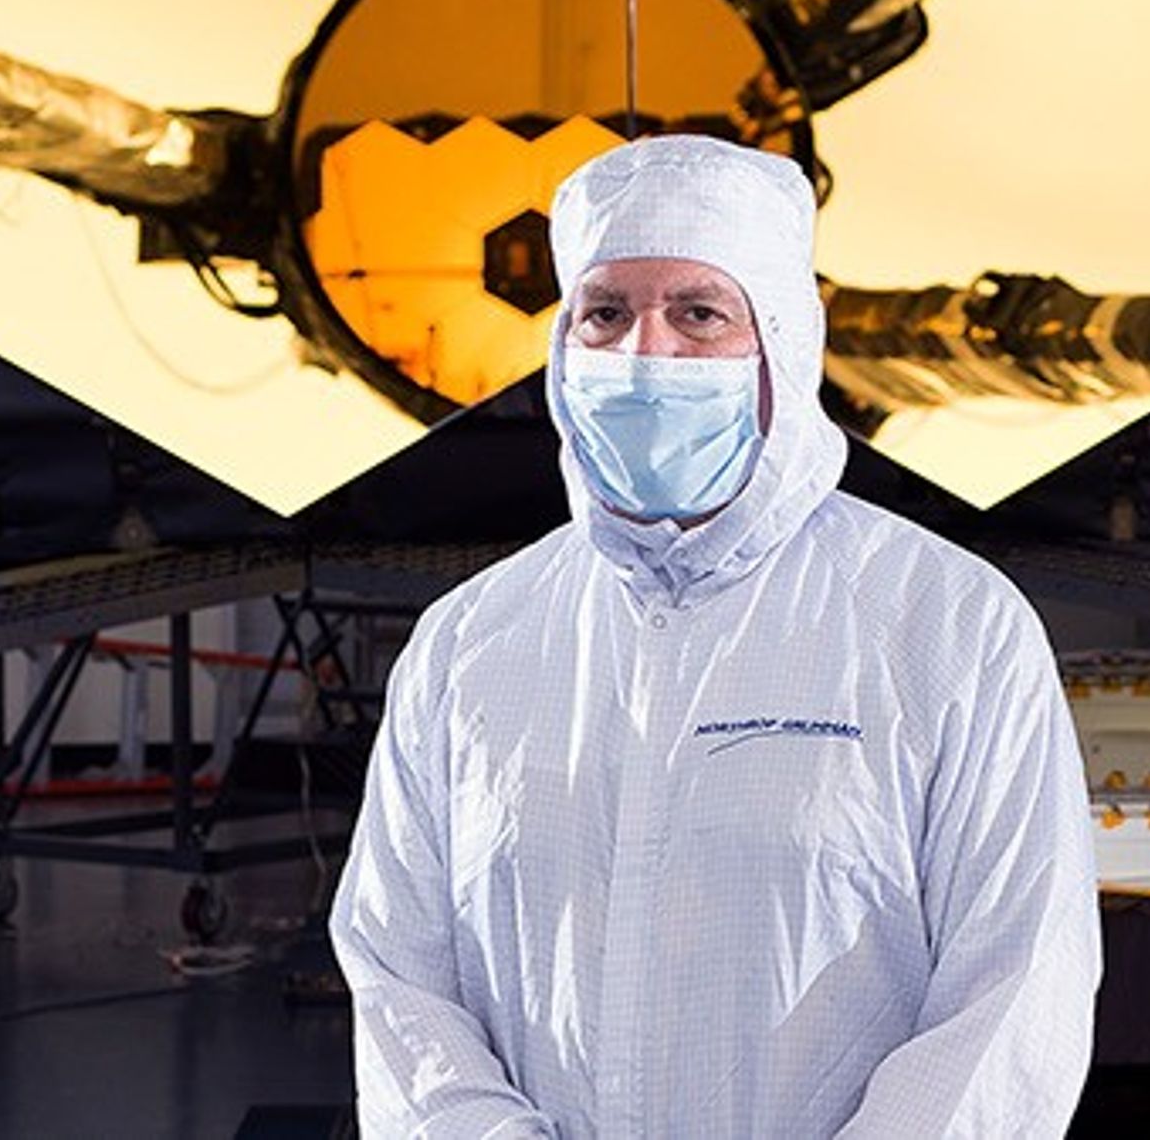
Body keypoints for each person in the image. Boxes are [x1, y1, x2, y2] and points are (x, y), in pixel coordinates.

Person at [333, 135, 1100, 1138]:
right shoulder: (470, 644)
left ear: (777, 341)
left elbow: (1014, 991)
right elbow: (399, 977)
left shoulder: (946, 625)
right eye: (604, 314)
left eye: (697, 313)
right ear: (561, 348)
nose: (644, 354)